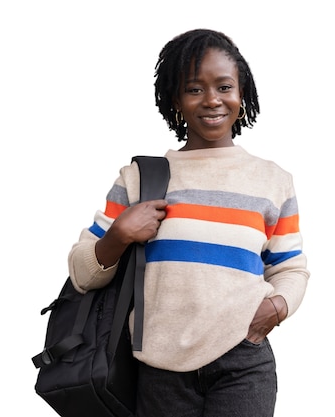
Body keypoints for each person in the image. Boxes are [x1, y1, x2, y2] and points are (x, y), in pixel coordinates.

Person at [68, 28, 310, 417]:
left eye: (224, 87)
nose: (212, 100)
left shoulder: (272, 180)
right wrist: (118, 235)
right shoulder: (139, 179)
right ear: (175, 100)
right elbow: (82, 272)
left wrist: (276, 308)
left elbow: (290, 267)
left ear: (241, 92)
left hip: (241, 361)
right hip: (159, 370)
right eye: (194, 89)